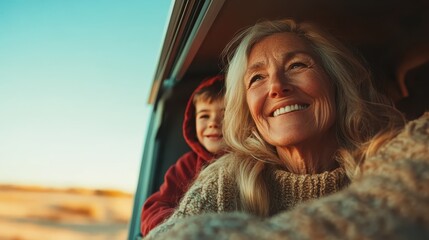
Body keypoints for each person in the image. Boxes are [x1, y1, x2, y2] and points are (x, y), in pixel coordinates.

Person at [144, 19, 428, 239]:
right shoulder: (225, 180)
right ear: (248, 111)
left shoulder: (393, 156)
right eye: (257, 78)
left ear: (336, 84)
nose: (277, 86)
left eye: (297, 65)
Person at [140, 75, 225, 235]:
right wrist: (175, 229)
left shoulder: (252, 161)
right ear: (193, 122)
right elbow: (154, 207)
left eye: (225, 114)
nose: (213, 122)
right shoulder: (188, 165)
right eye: (204, 115)